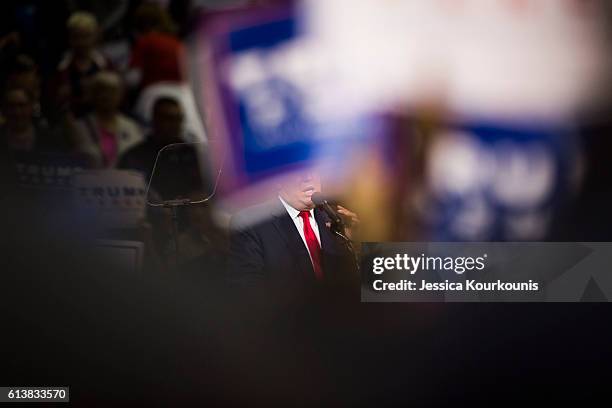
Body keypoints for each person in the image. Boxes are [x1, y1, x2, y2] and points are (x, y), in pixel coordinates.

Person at [228, 170, 360, 289]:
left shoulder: (337, 219)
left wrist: (360, 246)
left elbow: (375, 292)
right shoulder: (251, 223)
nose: (308, 177)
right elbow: (248, 292)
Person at [73, 71, 142, 168]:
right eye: (101, 90)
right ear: (92, 94)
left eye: (112, 91)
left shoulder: (132, 127)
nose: (106, 96)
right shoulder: (78, 127)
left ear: (121, 95)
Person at [53, 11, 113, 117]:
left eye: (86, 36)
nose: (81, 42)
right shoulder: (61, 68)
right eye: (76, 37)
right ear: (69, 38)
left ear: (95, 37)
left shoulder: (105, 65)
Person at [118, 96, 184, 180]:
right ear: (155, 120)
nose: (175, 124)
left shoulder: (192, 154)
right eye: (169, 118)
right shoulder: (134, 156)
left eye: (179, 118)